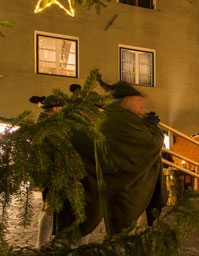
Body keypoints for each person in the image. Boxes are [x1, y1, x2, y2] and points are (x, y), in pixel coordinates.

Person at [64, 81, 168, 235]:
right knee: (123, 234)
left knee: (127, 232)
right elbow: (150, 145)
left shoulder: (121, 118)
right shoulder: (117, 120)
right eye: (138, 101)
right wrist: (153, 127)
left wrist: (146, 125)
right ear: (126, 100)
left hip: (124, 187)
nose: (142, 106)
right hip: (124, 190)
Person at [30, 94, 65, 248]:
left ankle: (43, 243)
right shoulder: (49, 124)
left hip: (50, 172)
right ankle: (42, 244)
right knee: (49, 209)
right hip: (51, 172)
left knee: (49, 207)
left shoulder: (44, 121)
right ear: (56, 108)